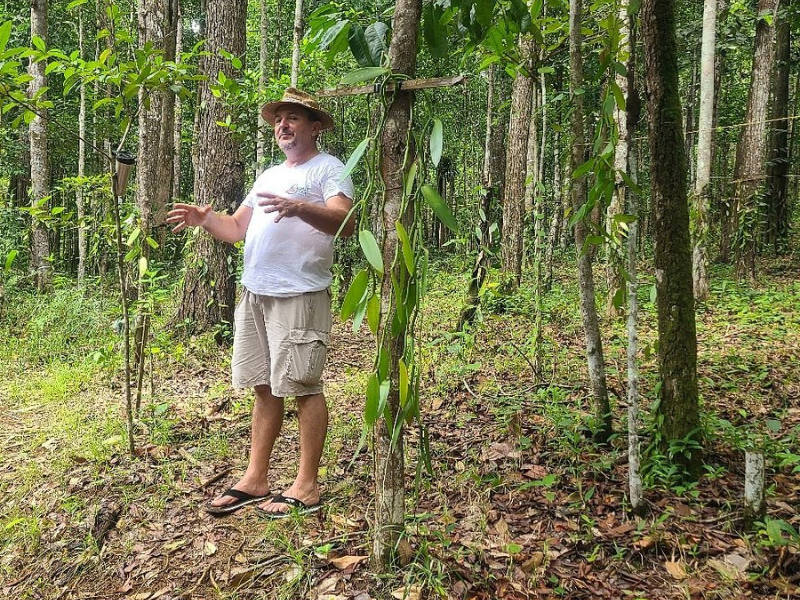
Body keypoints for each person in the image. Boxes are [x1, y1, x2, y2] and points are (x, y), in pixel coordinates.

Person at [166, 88, 355, 518]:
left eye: (292, 118)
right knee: (263, 385)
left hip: (299, 293)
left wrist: (300, 206)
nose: (282, 126)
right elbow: (235, 228)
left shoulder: (329, 169)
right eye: (277, 120)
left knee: (303, 386)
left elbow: (345, 222)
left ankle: (306, 485)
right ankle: (256, 477)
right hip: (256, 292)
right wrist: (205, 219)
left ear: (315, 126)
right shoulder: (268, 174)